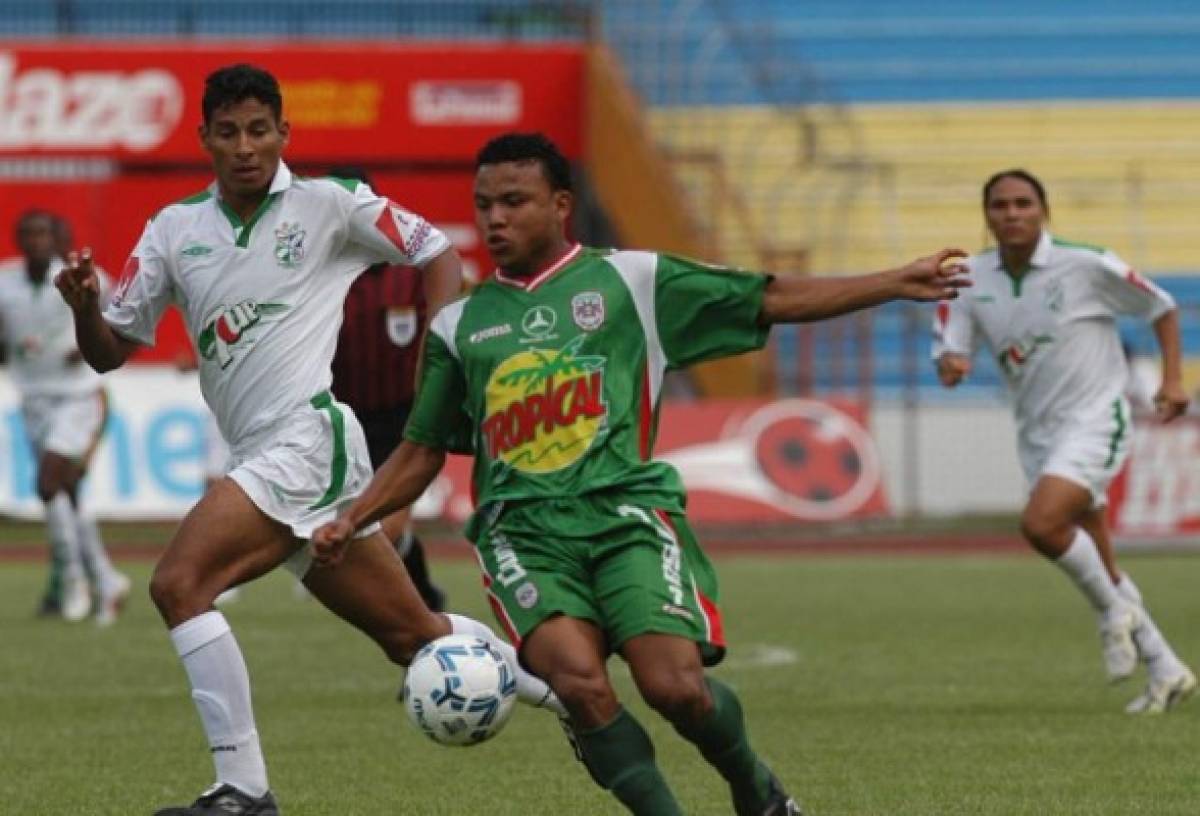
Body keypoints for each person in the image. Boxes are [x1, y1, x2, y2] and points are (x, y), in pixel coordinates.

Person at [312, 132, 971, 816]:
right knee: (580, 684)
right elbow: (422, 448)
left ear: (561, 204)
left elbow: (767, 297)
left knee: (676, 689)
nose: (495, 220)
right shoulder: (459, 325)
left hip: (626, 517)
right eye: (484, 206)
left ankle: (757, 788)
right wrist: (353, 518)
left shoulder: (633, 281)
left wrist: (893, 283)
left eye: (514, 202)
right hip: (524, 536)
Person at [55, 65, 560, 816]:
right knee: (410, 634)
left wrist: (444, 348)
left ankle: (244, 789)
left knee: (178, 584)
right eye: (228, 132)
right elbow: (109, 351)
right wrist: (85, 308)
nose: (245, 146)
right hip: (262, 453)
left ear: (283, 134)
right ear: (205, 140)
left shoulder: (329, 205)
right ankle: (574, 695)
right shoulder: (172, 231)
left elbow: (435, 252)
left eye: (259, 129)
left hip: (305, 441)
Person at [933, 169, 1195, 714]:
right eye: (1000, 205)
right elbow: (951, 344)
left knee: (1041, 523)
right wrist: (952, 362)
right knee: (1101, 559)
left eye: (1023, 203)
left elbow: (1162, 306)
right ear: (987, 215)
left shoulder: (1086, 264)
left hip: (1096, 419)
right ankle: (1167, 668)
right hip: (1037, 433)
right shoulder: (969, 278)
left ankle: (1109, 618)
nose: (1012, 214)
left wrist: (1172, 380)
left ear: (1044, 210)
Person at [326, 164, 446, 612]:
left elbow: (450, 320)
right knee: (373, 543)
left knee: (382, 535)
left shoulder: (414, 268)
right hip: (343, 423)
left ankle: (422, 637)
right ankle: (428, 604)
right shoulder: (320, 278)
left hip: (403, 423)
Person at [0, 210, 129, 624]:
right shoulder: (6, 282)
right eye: (29, 234)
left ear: (56, 238)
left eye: (44, 233)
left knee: (47, 482)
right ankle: (106, 577)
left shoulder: (79, 277)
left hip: (77, 396)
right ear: (20, 240)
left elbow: (125, 316)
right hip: (33, 397)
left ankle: (73, 580)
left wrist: (93, 337)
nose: (37, 241)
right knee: (67, 492)